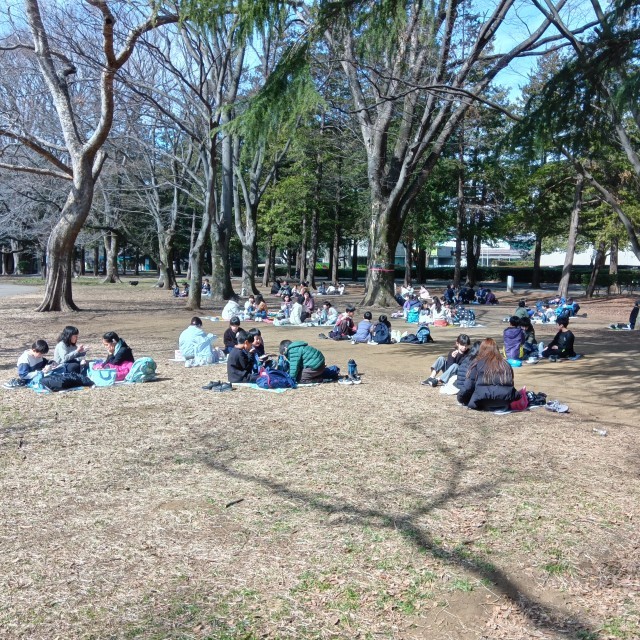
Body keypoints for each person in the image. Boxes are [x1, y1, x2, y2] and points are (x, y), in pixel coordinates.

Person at [457, 338, 524, 411]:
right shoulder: (506, 364)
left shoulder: (477, 363)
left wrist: (460, 399)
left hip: (483, 401)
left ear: (482, 349)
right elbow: (510, 384)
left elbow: (468, 386)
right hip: (505, 401)